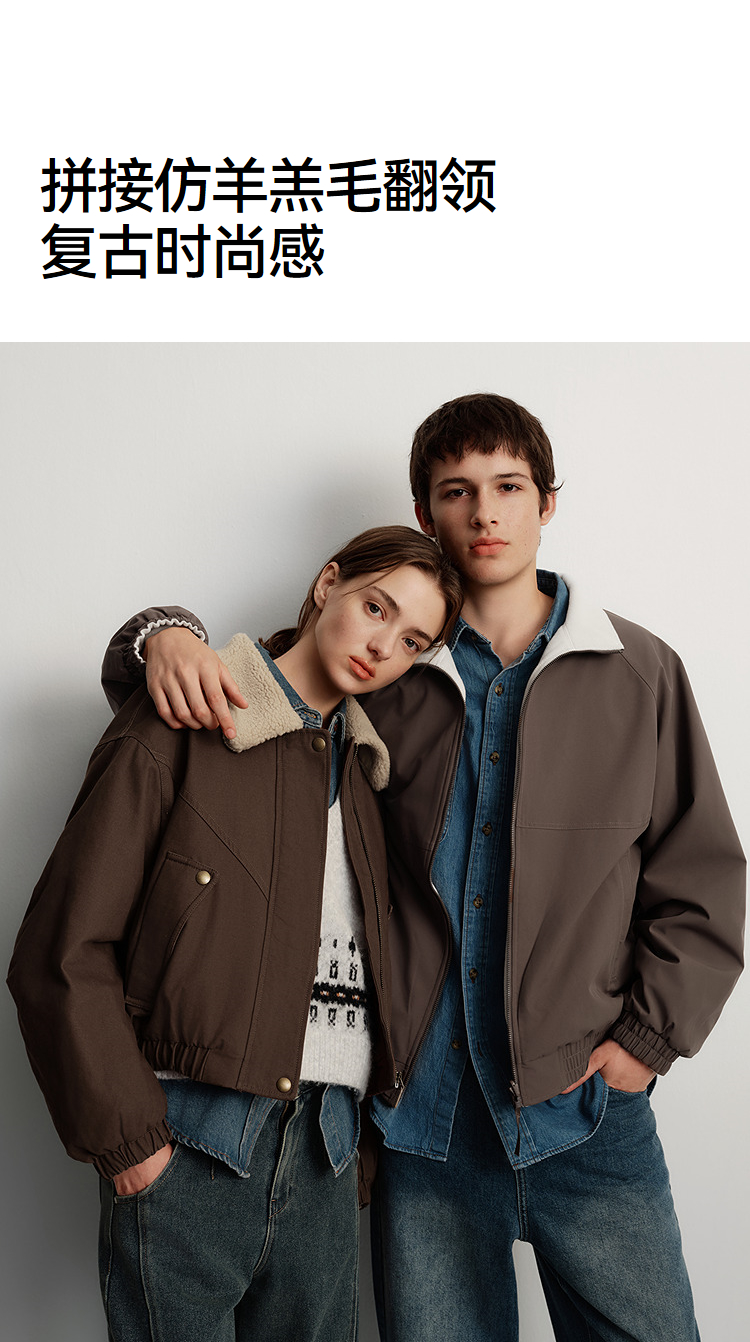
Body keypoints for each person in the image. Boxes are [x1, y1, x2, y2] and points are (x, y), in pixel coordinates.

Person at [89, 395, 744, 1342]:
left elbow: (704, 877)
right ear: (425, 513)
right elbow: (242, 691)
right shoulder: (387, 672)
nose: (485, 513)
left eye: (508, 487)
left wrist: (646, 1042)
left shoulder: (640, 672)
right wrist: (161, 631)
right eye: (457, 491)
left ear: (547, 502)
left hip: (585, 1116)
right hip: (421, 1130)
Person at [7, 525, 462, 1342]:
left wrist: (356, 1149)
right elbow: (61, 950)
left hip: (326, 1152)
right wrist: (130, 1144)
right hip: (192, 1142)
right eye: (376, 607)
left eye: (411, 641)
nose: (382, 646)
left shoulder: (368, 776)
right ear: (327, 583)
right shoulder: (189, 717)